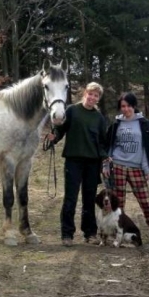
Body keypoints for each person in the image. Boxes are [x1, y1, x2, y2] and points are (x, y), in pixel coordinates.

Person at [48, 82, 108, 247]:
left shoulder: (99, 118)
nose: (92, 97)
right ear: (85, 94)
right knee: (70, 198)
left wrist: (105, 158)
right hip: (73, 161)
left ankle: (90, 233)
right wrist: (54, 137)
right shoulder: (72, 111)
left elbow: (102, 143)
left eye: (96, 96)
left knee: (89, 199)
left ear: (98, 99)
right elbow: (61, 129)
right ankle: (67, 234)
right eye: (90, 94)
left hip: (92, 163)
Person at [105, 93, 149, 242]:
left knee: (145, 201)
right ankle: (117, 231)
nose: (126, 109)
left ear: (134, 106)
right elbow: (109, 147)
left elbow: (146, 150)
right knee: (118, 203)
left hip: (136, 168)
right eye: (123, 106)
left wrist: (148, 170)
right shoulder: (116, 125)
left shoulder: (143, 124)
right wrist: (106, 165)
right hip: (118, 166)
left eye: (129, 106)